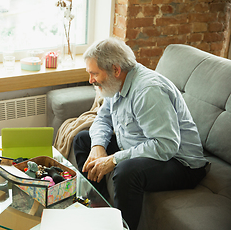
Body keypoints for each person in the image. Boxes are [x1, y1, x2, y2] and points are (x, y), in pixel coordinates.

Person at [73, 37, 209, 230]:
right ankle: (99, 208)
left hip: (180, 163)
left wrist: (112, 159)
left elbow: (166, 145)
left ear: (115, 69)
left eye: (94, 73)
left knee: (125, 171)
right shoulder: (116, 83)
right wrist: (98, 148)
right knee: (82, 140)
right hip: (143, 148)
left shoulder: (148, 91)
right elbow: (102, 119)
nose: (91, 80)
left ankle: (121, 227)